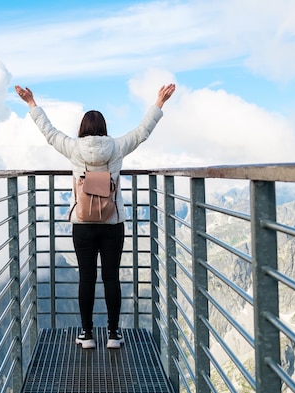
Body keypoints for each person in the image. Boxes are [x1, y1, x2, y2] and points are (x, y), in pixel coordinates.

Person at [15, 83, 175, 349]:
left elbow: (49, 133)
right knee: (111, 277)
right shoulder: (117, 146)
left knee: (86, 277)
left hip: (83, 223)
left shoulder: (73, 148)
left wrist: (32, 103)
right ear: (103, 128)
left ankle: (87, 335)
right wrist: (159, 102)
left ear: (82, 129)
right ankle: (114, 334)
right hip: (113, 222)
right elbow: (142, 132)